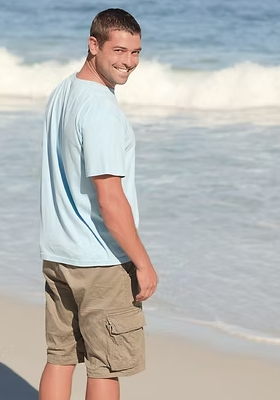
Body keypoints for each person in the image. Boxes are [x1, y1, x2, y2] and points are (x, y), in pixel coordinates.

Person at [38, 8, 157, 400]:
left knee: (60, 358)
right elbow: (109, 198)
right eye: (119, 50)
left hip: (58, 254)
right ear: (94, 45)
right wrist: (142, 262)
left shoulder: (62, 92)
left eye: (136, 52)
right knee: (106, 368)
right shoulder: (101, 110)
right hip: (100, 261)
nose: (128, 62)